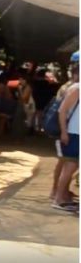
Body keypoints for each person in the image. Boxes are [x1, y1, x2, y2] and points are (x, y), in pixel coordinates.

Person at [50, 63, 79, 202]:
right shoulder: (73, 88)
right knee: (68, 164)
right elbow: (62, 110)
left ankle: (62, 194)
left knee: (69, 164)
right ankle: (58, 194)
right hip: (71, 132)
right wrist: (64, 132)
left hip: (71, 131)